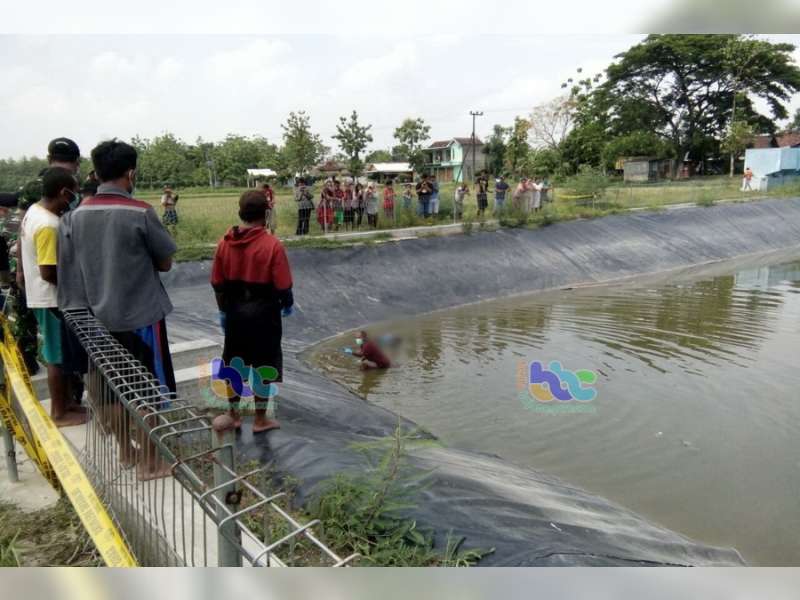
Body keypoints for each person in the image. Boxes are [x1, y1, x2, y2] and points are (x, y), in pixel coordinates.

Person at [58, 139, 177, 480]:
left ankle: (126, 450)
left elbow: (68, 272)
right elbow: (165, 261)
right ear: (131, 173)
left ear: (95, 173)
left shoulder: (72, 218)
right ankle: (151, 463)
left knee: (108, 385)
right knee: (148, 388)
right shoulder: (140, 212)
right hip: (140, 317)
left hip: (93, 320)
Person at [211, 190, 294, 433]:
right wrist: (287, 304)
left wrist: (223, 312)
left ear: (241, 213)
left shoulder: (225, 242)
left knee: (235, 364)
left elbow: (217, 284)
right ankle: (260, 420)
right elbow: (283, 285)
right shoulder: (272, 245)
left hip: (235, 312)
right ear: (266, 214)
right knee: (263, 365)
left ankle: (233, 415)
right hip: (264, 313)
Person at [18, 167, 86, 428]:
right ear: (63, 192)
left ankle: (67, 403)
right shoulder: (49, 225)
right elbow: (48, 271)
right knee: (56, 356)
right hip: (51, 298)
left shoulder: (35, 211)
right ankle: (59, 412)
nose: (74, 199)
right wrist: (77, 285)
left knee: (58, 353)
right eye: (73, 194)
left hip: (39, 295)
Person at [11, 137, 82, 375]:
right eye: (59, 162)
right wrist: (20, 269)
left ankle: (70, 391)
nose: (63, 168)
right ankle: (28, 366)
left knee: (61, 342)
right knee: (44, 334)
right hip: (46, 271)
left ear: (76, 163)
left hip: (59, 262)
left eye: (68, 163)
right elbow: (23, 228)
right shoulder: (36, 189)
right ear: (50, 160)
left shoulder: (74, 186)